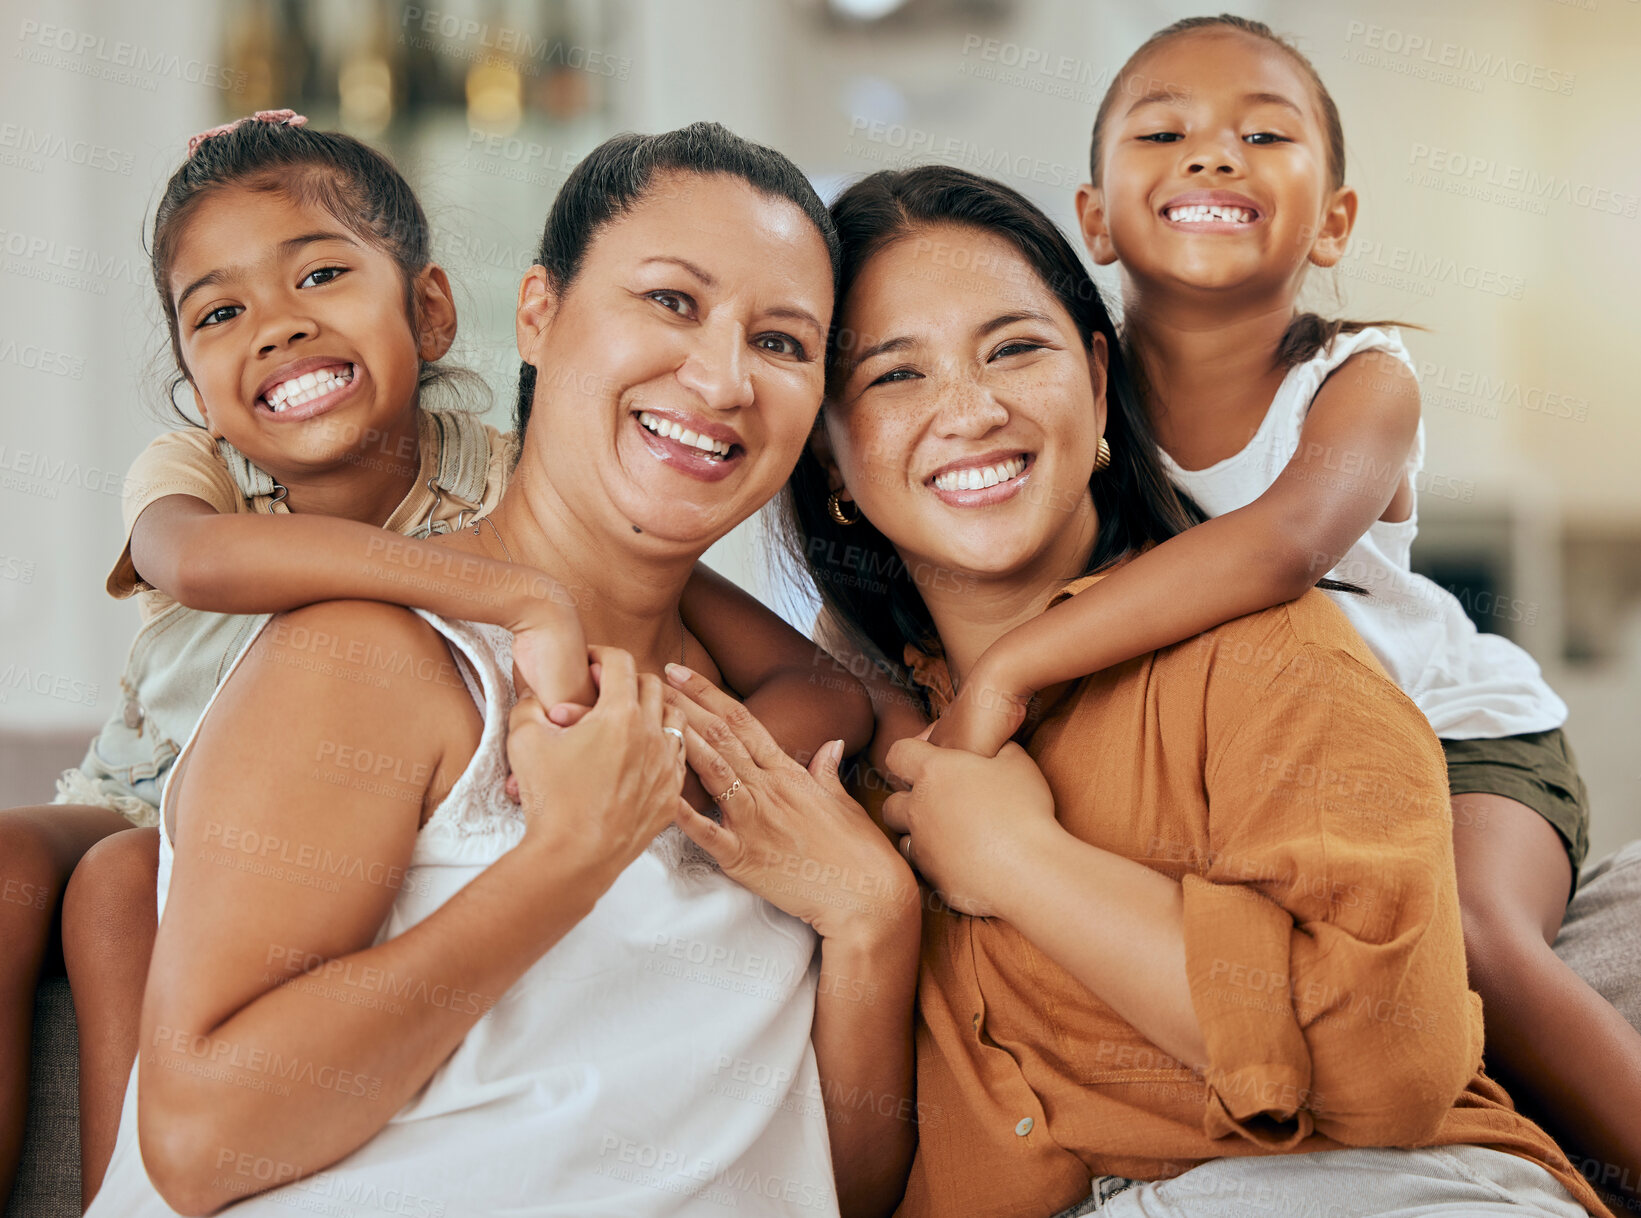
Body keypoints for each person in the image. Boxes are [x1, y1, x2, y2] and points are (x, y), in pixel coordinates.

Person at [1, 113, 873, 1211]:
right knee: (100, 879)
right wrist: (570, 856)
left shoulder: (757, 731)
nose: (722, 375)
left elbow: (843, 1173)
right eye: (671, 300)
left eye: (783, 342)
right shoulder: (370, 649)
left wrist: (873, 917)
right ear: (539, 313)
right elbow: (199, 1138)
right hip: (148, 784)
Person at [772, 163, 1611, 1217]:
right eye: (895, 376)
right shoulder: (855, 754)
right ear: (831, 462)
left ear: (1094, 379)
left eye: (1015, 349)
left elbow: (1392, 1061)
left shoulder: (1263, 649)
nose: (969, 409)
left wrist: (1021, 860)